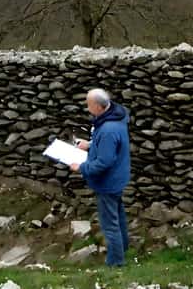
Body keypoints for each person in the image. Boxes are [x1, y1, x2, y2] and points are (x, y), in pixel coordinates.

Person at [70, 88, 131, 267]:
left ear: (98, 106)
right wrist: (88, 144)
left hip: (108, 182)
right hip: (118, 177)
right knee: (118, 216)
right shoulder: (115, 116)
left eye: (89, 105)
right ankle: (123, 248)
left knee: (110, 224)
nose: (87, 109)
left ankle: (116, 263)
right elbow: (107, 145)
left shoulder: (108, 129)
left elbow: (104, 162)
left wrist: (81, 167)